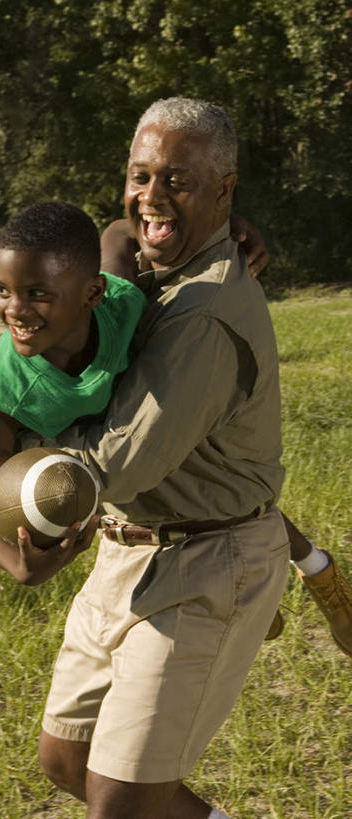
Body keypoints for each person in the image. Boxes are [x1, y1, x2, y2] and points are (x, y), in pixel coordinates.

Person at [18, 97, 293, 819]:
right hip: (128, 549)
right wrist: (138, 224)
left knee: (120, 801)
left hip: (207, 562)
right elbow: (115, 233)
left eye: (177, 179)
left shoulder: (204, 313)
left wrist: (12, 442)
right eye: (140, 175)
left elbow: (119, 463)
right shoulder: (158, 267)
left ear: (225, 189)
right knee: (66, 758)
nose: (151, 195)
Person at [100, 212, 352, 656]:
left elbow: (125, 229)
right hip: (134, 391)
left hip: (167, 380)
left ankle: (309, 575)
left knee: (225, 488)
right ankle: (293, 576)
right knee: (193, 485)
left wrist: (218, 223)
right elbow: (121, 229)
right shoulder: (103, 262)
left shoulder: (181, 292)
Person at [0, 201, 144, 584]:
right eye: (2, 291)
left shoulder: (121, 303)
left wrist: (225, 224)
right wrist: (19, 567)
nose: (14, 309)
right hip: (35, 428)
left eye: (36, 293)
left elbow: (120, 233)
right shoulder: (7, 392)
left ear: (92, 293)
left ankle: (298, 561)